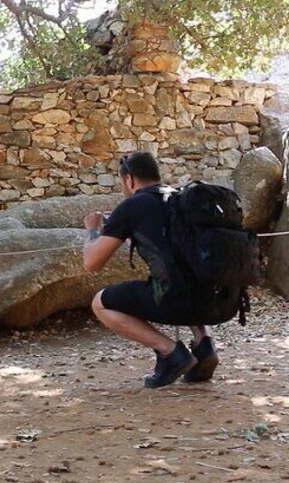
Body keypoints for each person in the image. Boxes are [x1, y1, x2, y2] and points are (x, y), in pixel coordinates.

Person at [82, 151, 221, 389]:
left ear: (129, 180)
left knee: (99, 303)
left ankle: (170, 352)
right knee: (186, 271)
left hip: (176, 300)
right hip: (218, 301)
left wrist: (93, 230)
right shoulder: (181, 198)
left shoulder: (133, 205)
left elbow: (91, 263)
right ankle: (204, 343)